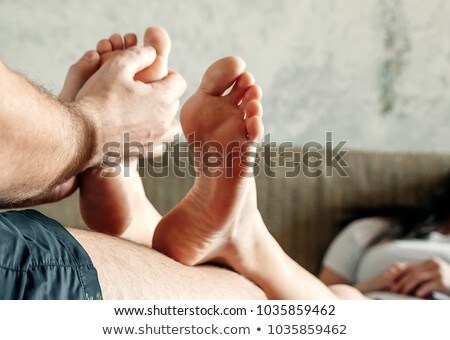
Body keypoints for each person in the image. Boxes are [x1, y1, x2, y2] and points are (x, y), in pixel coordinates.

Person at [1, 27, 365, 300]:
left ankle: (145, 221)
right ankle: (234, 239)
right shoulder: (373, 233)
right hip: (24, 267)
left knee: (350, 302)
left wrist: (73, 142)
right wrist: (92, 128)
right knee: (291, 307)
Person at [319, 175, 450, 299]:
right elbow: (318, 296)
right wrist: (371, 286)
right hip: (359, 309)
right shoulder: (370, 229)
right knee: (341, 293)